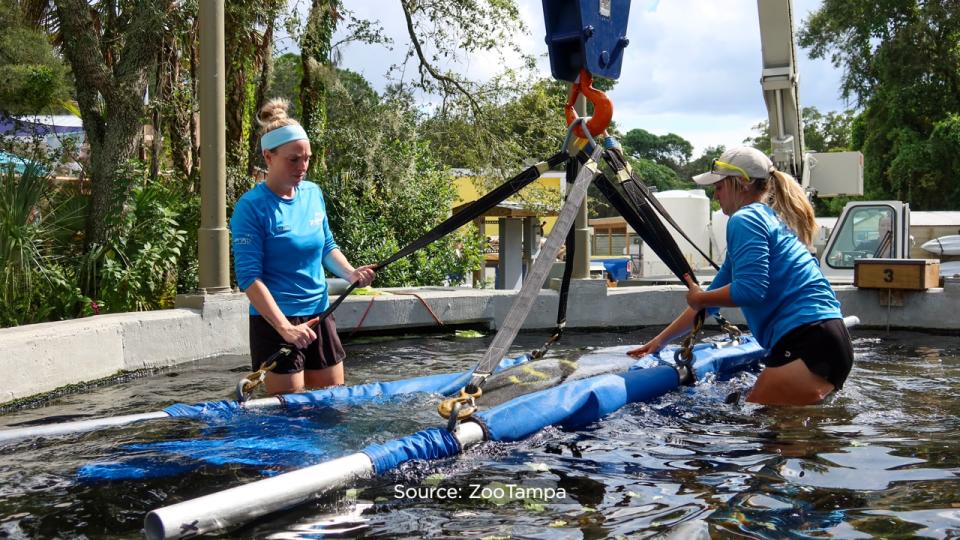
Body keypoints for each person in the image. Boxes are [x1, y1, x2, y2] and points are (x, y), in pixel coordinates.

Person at [628, 147, 853, 406]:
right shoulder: (768, 218)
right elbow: (708, 303)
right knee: (783, 432)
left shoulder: (744, 219)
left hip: (806, 341)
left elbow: (750, 290)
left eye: (720, 186)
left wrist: (699, 296)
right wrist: (659, 341)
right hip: (830, 339)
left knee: (761, 428)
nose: (716, 194)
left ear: (743, 184)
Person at [231, 98, 376, 395]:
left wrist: (350, 273)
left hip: (319, 314)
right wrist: (285, 328)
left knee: (333, 404)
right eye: (293, 160)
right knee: (290, 418)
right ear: (268, 157)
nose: (303, 167)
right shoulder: (251, 208)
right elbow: (249, 278)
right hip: (276, 323)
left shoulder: (312, 194)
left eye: (307, 158)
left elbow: (326, 246)